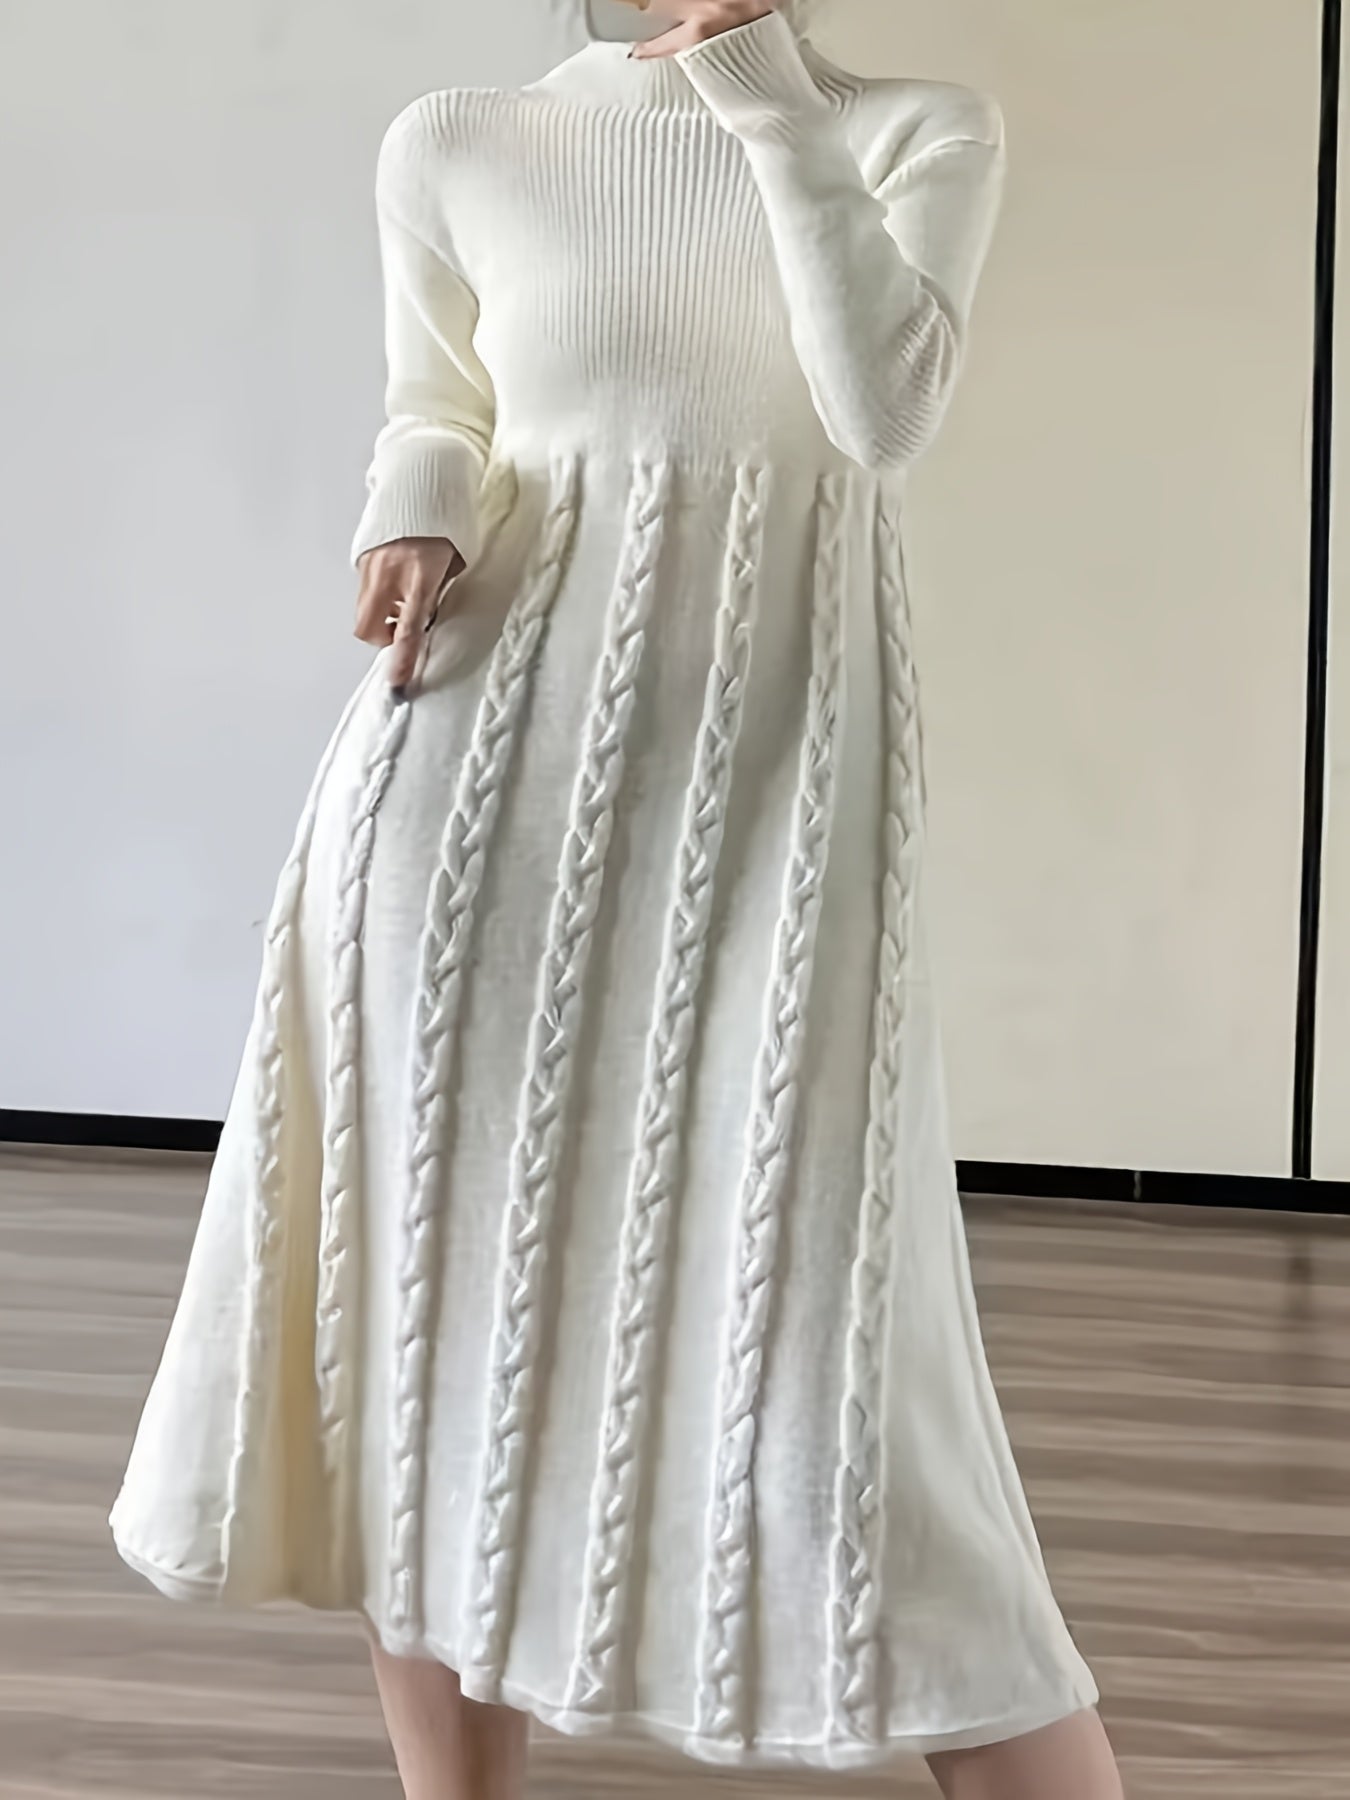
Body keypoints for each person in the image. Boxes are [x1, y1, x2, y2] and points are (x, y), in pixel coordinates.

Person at [112, 2, 1126, 1796]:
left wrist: (768, 112)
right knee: (420, 1316)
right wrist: (414, 504)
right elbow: (440, 400)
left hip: (773, 798)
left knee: (827, 1362)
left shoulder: (912, 129)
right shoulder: (458, 136)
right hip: (461, 778)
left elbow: (879, 416)